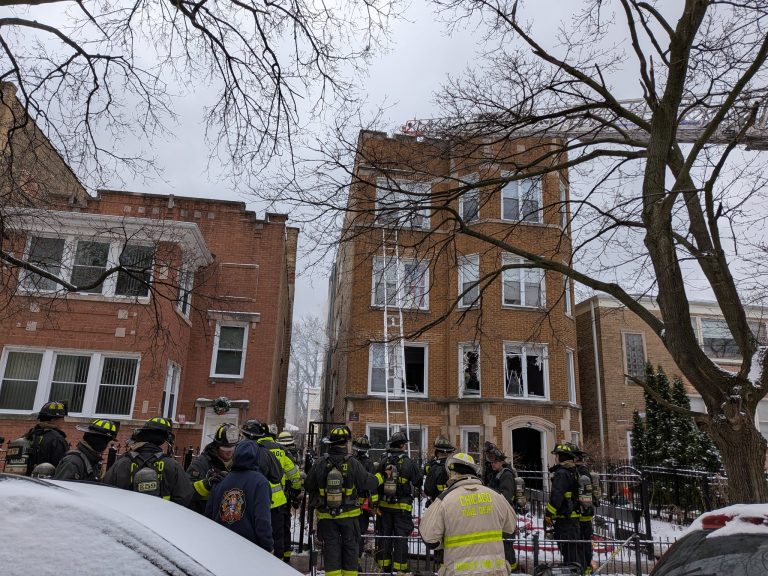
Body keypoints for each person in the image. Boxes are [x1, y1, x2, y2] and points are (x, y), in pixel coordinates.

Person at [305, 425, 385, 576]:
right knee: (350, 550)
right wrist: (383, 476)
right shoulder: (353, 463)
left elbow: (308, 484)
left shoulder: (320, 463)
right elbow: (369, 483)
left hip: (327, 518)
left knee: (331, 550)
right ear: (346, 443)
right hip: (350, 517)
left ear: (330, 443)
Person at [420, 452, 517, 576]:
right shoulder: (495, 496)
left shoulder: (444, 500)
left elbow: (430, 539)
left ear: (452, 473)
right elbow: (511, 526)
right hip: (495, 571)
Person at [241, 418, 302, 562]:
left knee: (257, 533)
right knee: (278, 534)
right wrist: (296, 489)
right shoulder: (280, 449)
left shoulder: (252, 449)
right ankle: (279, 562)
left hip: (255, 500)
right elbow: (293, 472)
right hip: (278, 500)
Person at [103, 417, 194, 507]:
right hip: (160, 519)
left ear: (143, 434)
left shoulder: (122, 463)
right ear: (165, 439)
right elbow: (184, 497)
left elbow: (105, 492)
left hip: (126, 518)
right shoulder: (172, 466)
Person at [206, 437, 274, 552]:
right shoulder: (260, 482)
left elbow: (209, 514)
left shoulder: (221, 480)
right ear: (257, 458)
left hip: (220, 546)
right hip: (248, 549)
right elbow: (262, 520)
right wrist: (268, 547)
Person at [376, 431, 422, 575]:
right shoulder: (408, 462)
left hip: (384, 507)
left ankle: (384, 568)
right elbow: (418, 482)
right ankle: (400, 569)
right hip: (402, 508)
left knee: (385, 537)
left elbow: (376, 483)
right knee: (401, 539)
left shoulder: (384, 461)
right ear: (402, 445)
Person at [187, 423, 239, 514]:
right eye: (225, 448)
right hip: (205, 518)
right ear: (217, 446)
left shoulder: (239, 463)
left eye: (232, 448)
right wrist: (208, 484)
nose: (229, 452)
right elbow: (186, 491)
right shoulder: (202, 463)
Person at [485, 447, 523, 573]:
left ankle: (512, 570)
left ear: (501, 462)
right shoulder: (495, 474)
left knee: (506, 545)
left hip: (505, 516)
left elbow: (505, 497)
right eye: (491, 463)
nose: (492, 465)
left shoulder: (506, 475)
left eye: (495, 462)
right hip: (497, 515)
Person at [544, 443, 581, 569]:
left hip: (565, 518)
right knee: (572, 550)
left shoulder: (561, 473)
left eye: (557, 455)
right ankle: (573, 569)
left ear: (561, 457)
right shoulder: (573, 471)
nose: (555, 458)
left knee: (568, 550)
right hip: (573, 517)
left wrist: (548, 514)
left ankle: (571, 570)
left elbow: (557, 496)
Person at [54, 418, 118, 481]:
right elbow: (60, 489)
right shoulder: (73, 462)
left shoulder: (92, 461)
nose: (105, 445)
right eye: (106, 441)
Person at [17, 401, 70, 475]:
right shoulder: (57, 439)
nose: (63, 421)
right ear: (52, 420)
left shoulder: (30, 435)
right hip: (45, 484)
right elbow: (61, 468)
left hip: (24, 481)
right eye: (62, 419)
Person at [572, 445, 597, 575]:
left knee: (582, 541)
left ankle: (585, 566)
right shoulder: (585, 471)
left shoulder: (579, 472)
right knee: (585, 540)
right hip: (586, 512)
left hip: (581, 513)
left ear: (576, 458)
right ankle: (586, 565)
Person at [352, 434, 377, 557]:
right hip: (363, 507)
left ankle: (349, 558)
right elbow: (372, 484)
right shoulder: (369, 464)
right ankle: (357, 560)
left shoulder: (350, 462)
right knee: (360, 532)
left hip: (349, 504)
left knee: (349, 533)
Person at [423, 435, 455, 504]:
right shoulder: (456, 468)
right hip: (452, 504)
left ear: (437, 452)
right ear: (450, 453)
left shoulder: (435, 468)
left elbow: (428, 490)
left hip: (437, 504)